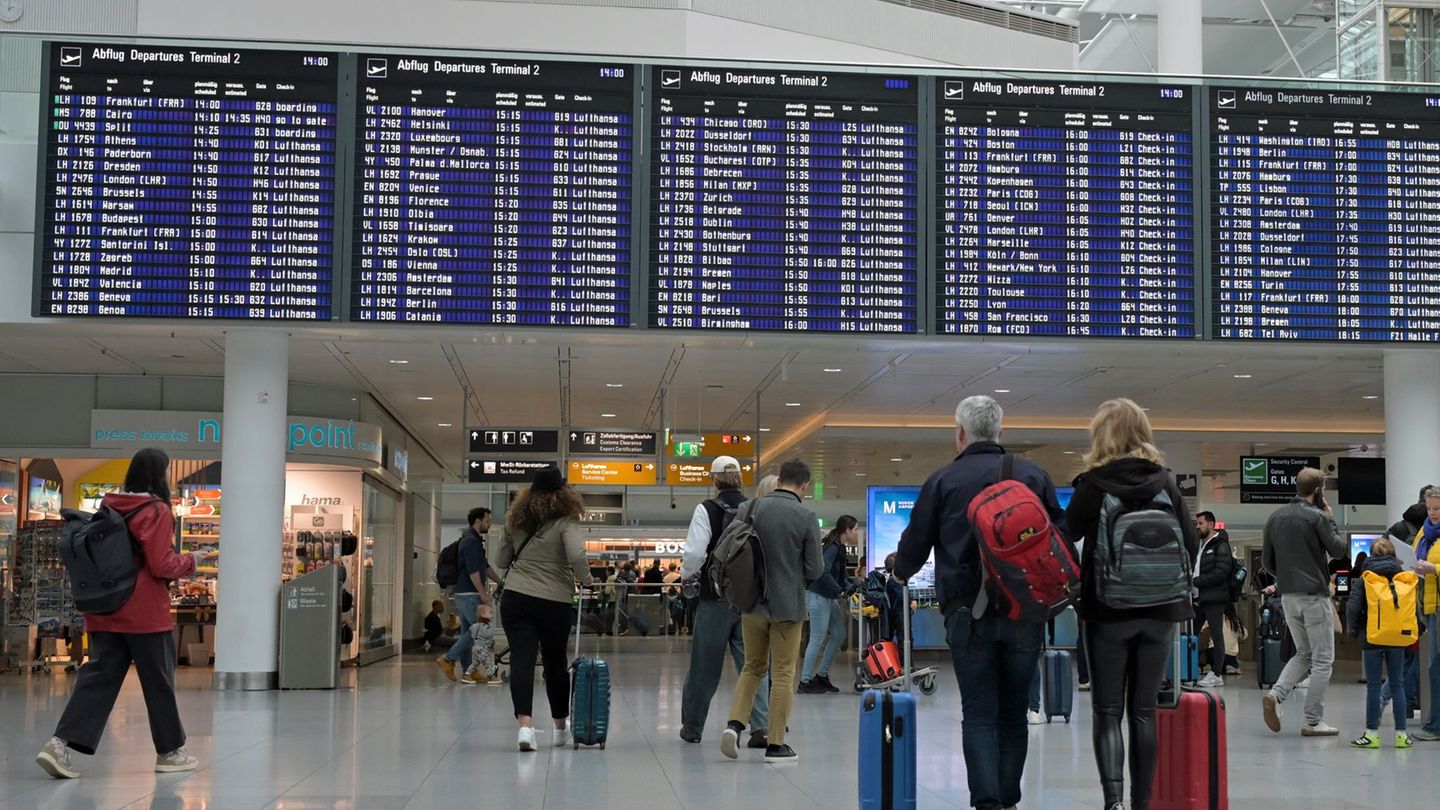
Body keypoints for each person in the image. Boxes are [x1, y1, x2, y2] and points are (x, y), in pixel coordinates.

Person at [895, 395, 1066, 810]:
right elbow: (1060, 538)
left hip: (965, 612)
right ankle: (1008, 796)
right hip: (1025, 610)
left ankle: (987, 802)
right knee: (1014, 710)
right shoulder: (1033, 475)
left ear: (960, 433)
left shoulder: (943, 481)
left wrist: (901, 571)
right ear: (1000, 432)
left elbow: (914, 545)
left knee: (979, 712)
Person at [36, 447, 203, 779]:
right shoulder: (156, 510)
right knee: (158, 680)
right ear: (160, 474)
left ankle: (59, 745)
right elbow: (160, 563)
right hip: (144, 612)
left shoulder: (110, 505)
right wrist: (190, 562)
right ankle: (170, 752)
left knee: (98, 677)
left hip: (105, 607)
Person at [1067, 398, 1197, 810]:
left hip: (1107, 609)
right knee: (1143, 711)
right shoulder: (1166, 482)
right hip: (1161, 611)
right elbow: (1190, 544)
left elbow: (1065, 536)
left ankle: (1114, 802)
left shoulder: (1093, 484)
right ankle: (1141, 803)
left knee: (1107, 710)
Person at [720, 459, 822, 762]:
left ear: (779, 481)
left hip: (751, 603)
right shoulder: (805, 516)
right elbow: (815, 569)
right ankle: (776, 744)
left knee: (752, 667)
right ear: (803, 485)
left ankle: (734, 725)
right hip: (788, 606)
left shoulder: (749, 509)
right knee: (782, 673)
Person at [493, 466, 594, 752]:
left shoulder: (515, 518)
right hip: (555, 600)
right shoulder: (566, 520)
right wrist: (587, 579)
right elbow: (576, 554)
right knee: (554, 664)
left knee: (521, 661)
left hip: (517, 597)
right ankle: (560, 727)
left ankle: (525, 727)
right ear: (563, 492)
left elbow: (501, 559)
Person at [678, 456, 771, 747]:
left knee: (704, 668)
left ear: (714, 480)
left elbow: (694, 554)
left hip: (714, 598)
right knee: (754, 665)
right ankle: (761, 727)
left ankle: (692, 728)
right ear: (740, 479)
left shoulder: (706, 509)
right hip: (750, 601)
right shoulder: (756, 508)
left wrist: (686, 577)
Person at [1261, 467, 1347, 737]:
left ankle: (1276, 695)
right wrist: (1330, 520)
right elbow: (1339, 550)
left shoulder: (1275, 517)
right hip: (1314, 595)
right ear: (1319, 490)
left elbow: (1266, 562)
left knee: (1303, 653)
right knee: (1323, 660)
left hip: (1288, 597)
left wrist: (1286, 579)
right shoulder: (1317, 517)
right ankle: (1312, 720)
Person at [1345, 537, 1415, 749]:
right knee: (1397, 685)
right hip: (1398, 637)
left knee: (1374, 687)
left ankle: (1372, 734)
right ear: (1394, 555)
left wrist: (1354, 630)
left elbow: (1353, 607)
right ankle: (1401, 735)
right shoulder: (1404, 577)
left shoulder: (1366, 579)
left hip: (1373, 637)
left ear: (1371, 555)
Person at [436, 507, 502, 685]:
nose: (489, 524)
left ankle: (468, 671)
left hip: (465, 592)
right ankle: (448, 659)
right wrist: (483, 593)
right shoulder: (470, 542)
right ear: (478, 521)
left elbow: (484, 566)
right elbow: (473, 571)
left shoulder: (473, 541)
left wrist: (499, 581)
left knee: (469, 632)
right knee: (479, 632)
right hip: (469, 593)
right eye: (487, 520)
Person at [798, 515, 856, 694]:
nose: (854, 533)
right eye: (854, 529)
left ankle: (822, 675)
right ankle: (804, 681)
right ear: (847, 530)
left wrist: (848, 585)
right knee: (817, 638)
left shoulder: (840, 547)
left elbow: (840, 572)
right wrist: (839, 590)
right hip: (818, 596)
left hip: (828, 597)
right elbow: (824, 571)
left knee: (839, 634)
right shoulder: (832, 547)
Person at [1192, 511, 1235, 688]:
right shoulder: (1201, 545)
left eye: (1201, 523)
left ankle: (1217, 674)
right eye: (1197, 523)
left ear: (1211, 524)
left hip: (1214, 597)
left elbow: (1221, 573)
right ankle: (1189, 670)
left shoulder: (1220, 545)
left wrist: (1197, 581)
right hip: (1198, 597)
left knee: (1216, 635)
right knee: (1192, 635)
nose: (1197, 526)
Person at [1411, 486, 1440, 741]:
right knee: (1433, 665)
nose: (1432, 513)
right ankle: (1434, 723)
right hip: (1429, 605)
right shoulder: (1424, 532)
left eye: (1437, 508)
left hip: (1437, 602)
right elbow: (1413, 554)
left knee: (1436, 665)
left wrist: (1435, 569)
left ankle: (1435, 725)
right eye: (1429, 508)